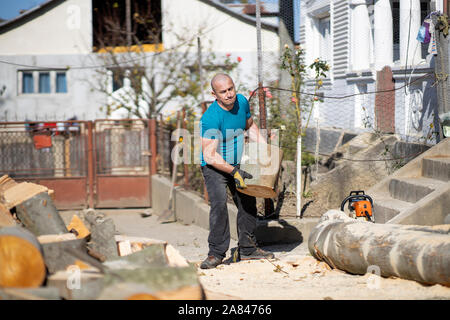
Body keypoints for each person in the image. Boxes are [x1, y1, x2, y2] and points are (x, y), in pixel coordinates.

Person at [199, 73, 275, 269]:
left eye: (231, 88)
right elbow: (209, 155)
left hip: (238, 161)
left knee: (248, 202)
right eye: (223, 92)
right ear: (214, 94)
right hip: (214, 166)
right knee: (219, 206)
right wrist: (233, 172)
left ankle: (248, 249)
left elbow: (250, 126)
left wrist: (265, 149)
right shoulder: (210, 118)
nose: (229, 94)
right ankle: (216, 253)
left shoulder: (242, 101)